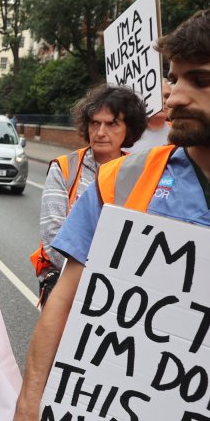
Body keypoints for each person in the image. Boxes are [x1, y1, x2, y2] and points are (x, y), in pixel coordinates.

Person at [7, 6, 210, 421]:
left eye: (200, 80)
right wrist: (30, 408)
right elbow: (67, 296)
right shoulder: (124, 178)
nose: (173, 95)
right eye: (173, 76)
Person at [30, 85, 147, 306]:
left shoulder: (141, 172)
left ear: (128, 129)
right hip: (67, 287)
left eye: (112, 124)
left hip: (118, 293)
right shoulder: (65, 168)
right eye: (95, 123)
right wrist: (94, 279)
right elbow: (53, 238)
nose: (101, 132)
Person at [126, 79, 172, 153]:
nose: (163, 101)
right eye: (157, 95)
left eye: (167, 96)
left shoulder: (180, 133)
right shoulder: (124, 133)